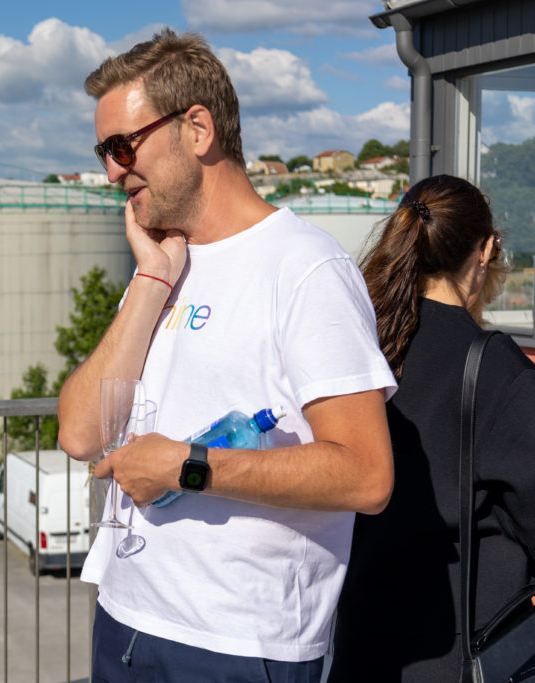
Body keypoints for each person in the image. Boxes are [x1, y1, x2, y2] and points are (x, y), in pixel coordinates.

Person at [56, 28, 397, 682]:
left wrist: (186, 465)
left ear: (197, 129)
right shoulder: (163, 263)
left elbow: (366, 474)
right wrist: (150, 281)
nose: (112, 172)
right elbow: (79, 432)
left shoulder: (305, 268)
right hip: (126, 619)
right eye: (103, 152)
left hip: (236, 644)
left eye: (122, 146)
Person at [330, 175, 535, 681]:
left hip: (357, 639)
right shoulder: (494, 368)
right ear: (484, 251)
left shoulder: (359, 342)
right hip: (459, 652)